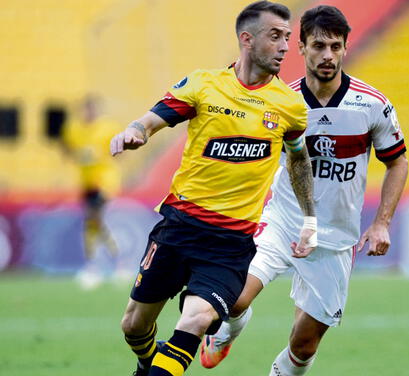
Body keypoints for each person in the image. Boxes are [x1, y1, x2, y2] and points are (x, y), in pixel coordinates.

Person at [110, 2, 317, 375]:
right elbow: (154, 119)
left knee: (195, 320)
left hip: (230, 243)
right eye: (276, 36)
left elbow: (299, 159)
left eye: (288, 38)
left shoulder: (290, 105)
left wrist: (310, 218)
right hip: (179, 228)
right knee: (134, 325)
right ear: (246, 39)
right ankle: (148, 363)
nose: (286, 46)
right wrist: (135, 132)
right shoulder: (204, 84)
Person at [199, 6, 408, 375]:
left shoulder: (372, 104)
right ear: (301, 47)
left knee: (304, 343)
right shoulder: (281, 101)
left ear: (345, 48)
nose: (327, 55)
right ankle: (227, 332)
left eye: (335, 46)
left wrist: (381, 223)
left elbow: (398, 162)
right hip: (283, 222)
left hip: (336, 238)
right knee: (232, 299)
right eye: (318, 46)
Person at [61, 94, 121, 289]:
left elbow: (121, 150)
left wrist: (105, 159)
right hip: (86, 181)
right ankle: (116, 263)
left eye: (92, 109)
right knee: (94, 222)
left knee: (92, 217)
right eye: (86, 109)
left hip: (104, 181)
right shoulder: (74, 128)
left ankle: (94, 267)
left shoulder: (107, 128)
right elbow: (66, 146)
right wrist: (76, 155)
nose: (88, 113)